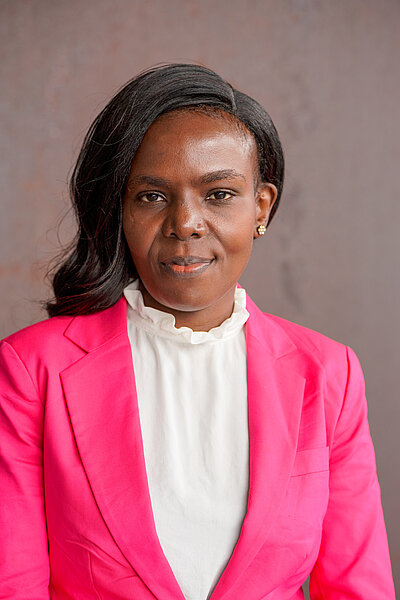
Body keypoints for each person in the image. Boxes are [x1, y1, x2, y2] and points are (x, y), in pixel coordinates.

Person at [0, 63, 395, 600]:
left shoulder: (330, 375)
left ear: (261, 206)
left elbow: (358, 588)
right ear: (119, 209)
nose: (185, 223)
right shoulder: (32, 370)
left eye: (219, 194)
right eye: (152, 196)